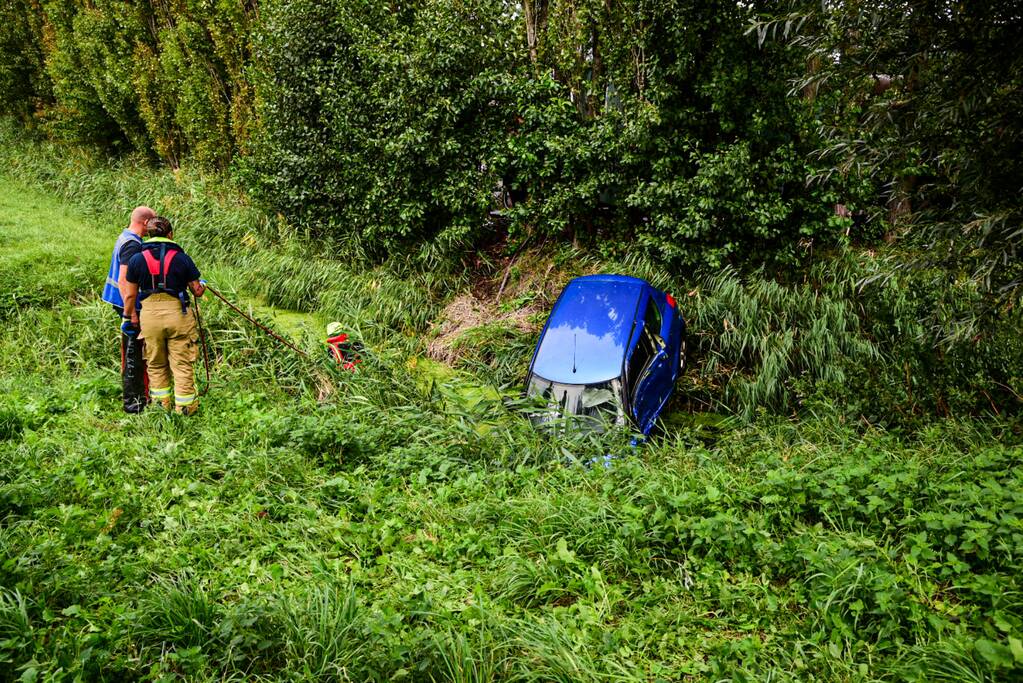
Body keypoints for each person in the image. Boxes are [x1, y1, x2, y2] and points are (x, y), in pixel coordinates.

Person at [122, 216, 206, 415]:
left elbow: (131, 294)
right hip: (178, 314)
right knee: (182, 364)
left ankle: (161, 408)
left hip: (149, 317)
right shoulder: (182, 258)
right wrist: (202, 285)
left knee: (156, 363)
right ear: (170, 234)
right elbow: (196, 290)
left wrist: (128, 317)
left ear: (149, 234)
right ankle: (185, 409)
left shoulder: (136, 259)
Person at [101, 206, 155, 413]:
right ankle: (134, 403)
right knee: (134, 354)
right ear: (145, 222)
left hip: (122, 303)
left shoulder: (126, 237)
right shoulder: (132, 245)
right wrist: (131, 313)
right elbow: (125, 281)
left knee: (134, 352)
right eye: (152, 222)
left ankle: (139, 397)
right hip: (128, 306)